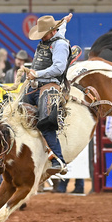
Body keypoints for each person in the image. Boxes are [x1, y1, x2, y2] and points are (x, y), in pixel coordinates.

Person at [24, 13, 73, 175]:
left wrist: (37, 74)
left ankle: (58, 159)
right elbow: (61, 30)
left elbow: (59, 68)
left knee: (46, 121)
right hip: (36, 84)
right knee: (19, 112)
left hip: (50, 85)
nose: (41, 37)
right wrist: (64, 21)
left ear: (51, 32)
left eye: (43, 34)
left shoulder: (59, 45)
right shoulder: (53, 38)